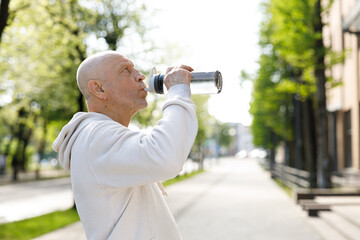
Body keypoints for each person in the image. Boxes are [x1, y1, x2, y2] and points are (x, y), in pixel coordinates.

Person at [53, 51, 198, 240]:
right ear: (98, 89)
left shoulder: (100, 135)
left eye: (135, 68)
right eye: (126, 70)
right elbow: (165, 156)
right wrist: (178, 92)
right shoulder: (96, 135)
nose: (140, 76)